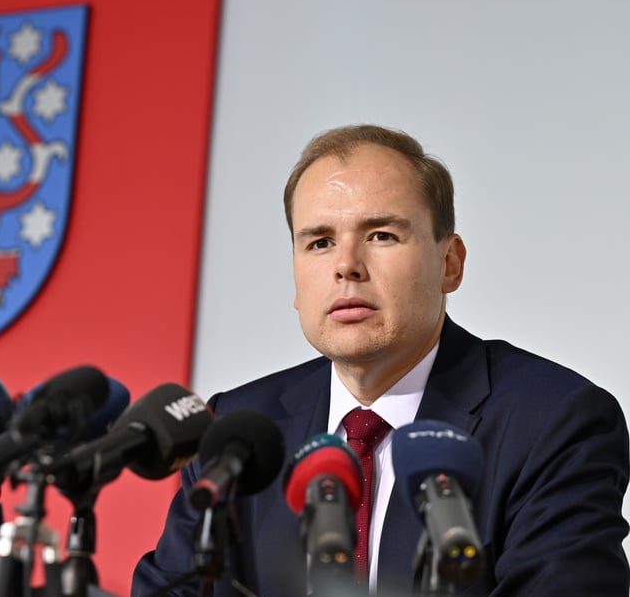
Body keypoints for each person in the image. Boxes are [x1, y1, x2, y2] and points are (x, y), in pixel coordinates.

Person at [131, 125, 630, 596]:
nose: (346, 265)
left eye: (381, 235)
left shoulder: (552, 421)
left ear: (450, 263)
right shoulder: (238, 431)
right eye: (320, 242)